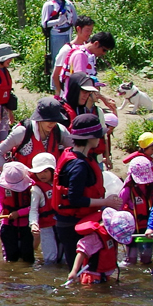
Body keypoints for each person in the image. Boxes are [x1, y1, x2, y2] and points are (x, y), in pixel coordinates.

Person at [52, 113, 115, 266]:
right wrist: (106, 201)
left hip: (75, 221)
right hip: (73, 224)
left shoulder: (78, 156)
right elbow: (74, 199)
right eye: (98, 136)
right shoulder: (79, 166)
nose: (99, 139)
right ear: (90, 138)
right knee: (82, 269)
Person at [40, 0, 78, 84]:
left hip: (69, 34)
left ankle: (67, 83)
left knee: (69, 60)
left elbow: (75, 20)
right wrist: (58, 21)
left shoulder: (69, 4)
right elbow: (44, 23)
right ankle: (55, 85)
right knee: (58, 60)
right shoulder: (49, 4)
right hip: (56, 35)